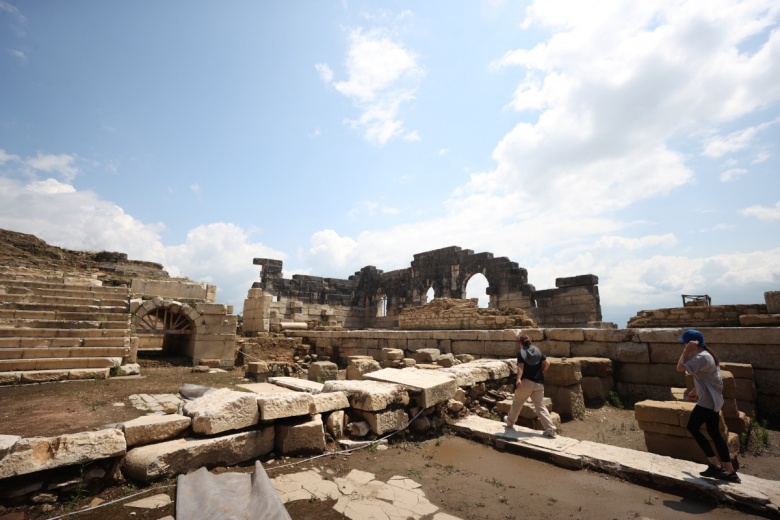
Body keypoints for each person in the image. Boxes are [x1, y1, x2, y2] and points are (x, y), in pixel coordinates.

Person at [676, 329, 740, 483]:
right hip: (712, 400)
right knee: (714, 433)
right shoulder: (706, 356)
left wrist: (686, 351)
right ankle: (729, 471)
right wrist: (695, 389)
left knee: (693, 427)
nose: (683, 345)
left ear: (693, 343)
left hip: (707, 402)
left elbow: (679, 367)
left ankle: (716, 465)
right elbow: (709, 378)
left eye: (685, 342)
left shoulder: (702, 357)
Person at [504, 334, 557, 438]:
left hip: (526, 383)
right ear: (530, 342)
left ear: (520, 343)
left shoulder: (521, 352)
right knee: (540, 406)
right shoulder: (538, 351)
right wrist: (542, 371)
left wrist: (518, 379)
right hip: (539, 383)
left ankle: (510, 422)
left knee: (517, 402)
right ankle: (550, 429)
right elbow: (547, 364)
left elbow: (520, 367)